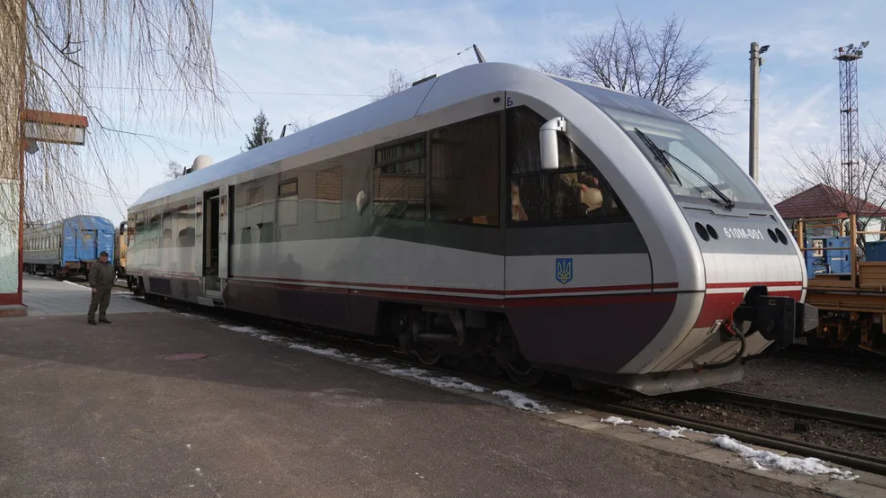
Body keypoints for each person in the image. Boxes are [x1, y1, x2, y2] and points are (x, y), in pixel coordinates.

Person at [87, 251, 115, 325]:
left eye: (106, 257)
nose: (104, 258)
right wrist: (93, 286)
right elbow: (92, 276)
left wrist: (112, 283)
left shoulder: (110, 265)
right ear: (100, 257)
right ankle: (91, 318)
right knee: (95, 303)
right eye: (103, 256)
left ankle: (102, 317)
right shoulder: (96, 265)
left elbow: (113, 274)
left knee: (105, 303)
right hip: (98, 287)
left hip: (107, 287)